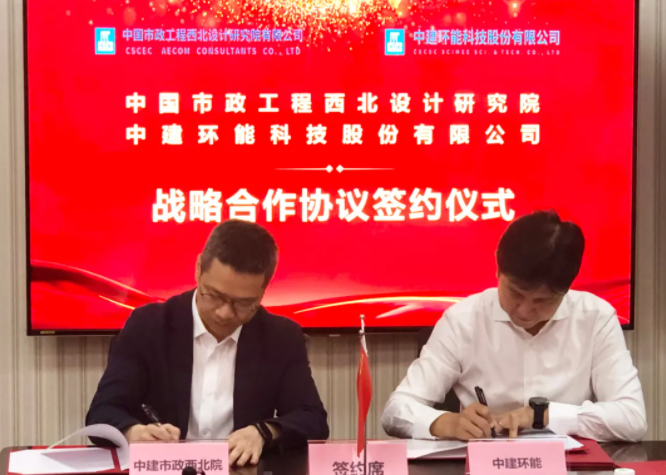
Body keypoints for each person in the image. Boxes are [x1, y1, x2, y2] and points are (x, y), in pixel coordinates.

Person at [382, 210, 647, 443]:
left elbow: (632, 418)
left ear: (567, 289)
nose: (524, 311)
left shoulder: (596, 318)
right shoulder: (463, 320)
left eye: (542, 301)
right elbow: (396, 410)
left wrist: (543, 416)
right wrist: (445, 423)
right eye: (515, 294)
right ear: (498, 270)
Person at [86, 220, 329, 465]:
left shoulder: (281, 337)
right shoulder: (149, 326)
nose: (224, 313)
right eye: (214, 296)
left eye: (243, 303)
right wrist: (133, 433)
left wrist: (264, 432)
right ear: (199, 269)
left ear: (263, 291)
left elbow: (313, 419)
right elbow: (101, 413)